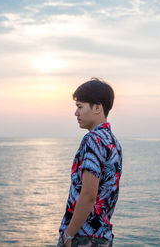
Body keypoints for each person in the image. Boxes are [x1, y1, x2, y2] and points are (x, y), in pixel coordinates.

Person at [57, 78, 123, 247]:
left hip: (82, 237)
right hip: (102, 237)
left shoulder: (93, 140)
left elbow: (89, 194)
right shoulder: (113, 142)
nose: (76, 113)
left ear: (97, 108)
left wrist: (69, 234)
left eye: (80, 107)